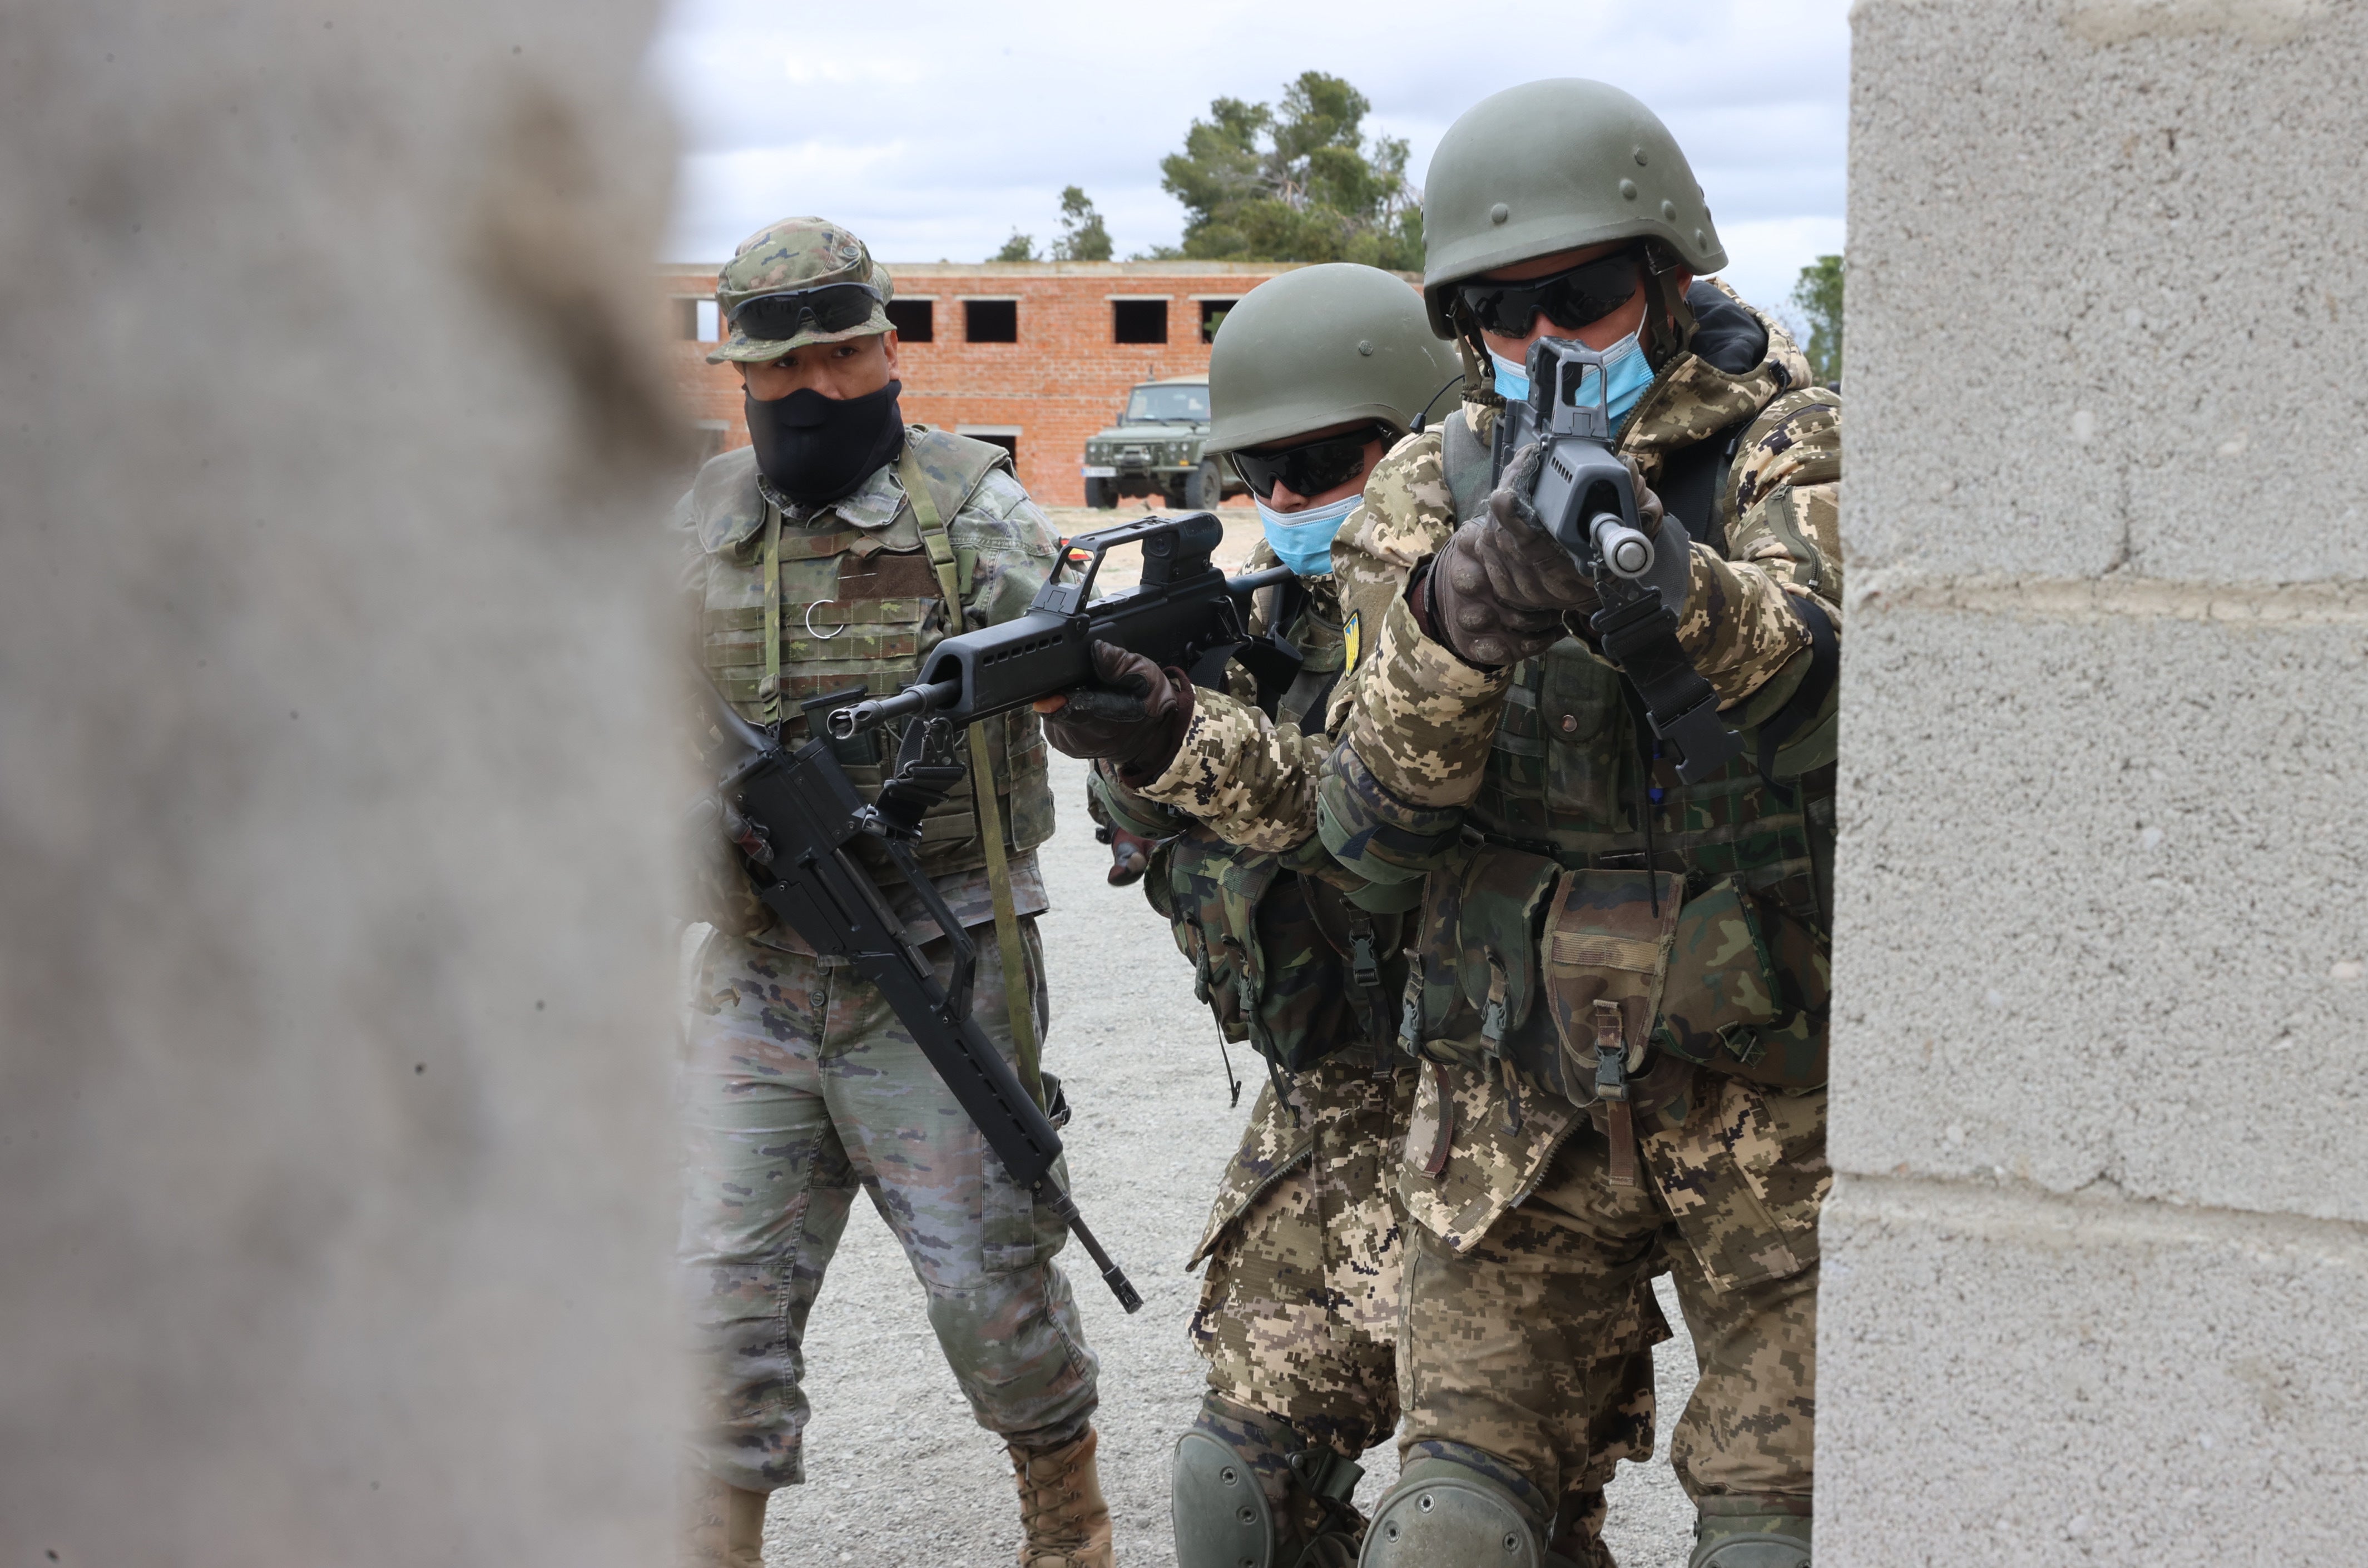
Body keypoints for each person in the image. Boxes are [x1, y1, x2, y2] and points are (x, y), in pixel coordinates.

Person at [1039, 264, 1659, 1568]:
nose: (1282, 505)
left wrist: (1201, 742)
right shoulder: (1252, 626)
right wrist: (1151, 747)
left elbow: (1382, 845)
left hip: (1509, 1120)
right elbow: (1225, 923)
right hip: (1330, 1111)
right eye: (1252, 475)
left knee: (1476, 1535)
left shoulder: (1515, 626)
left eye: (1321, 462)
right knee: (1235, 1498)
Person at [1316, 80, 1845, 1568]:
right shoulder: (1427, 486)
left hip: (1774, 1108)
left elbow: (1836, 685)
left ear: (1670, 280)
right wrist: (1454, 624)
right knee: (1446, 1537)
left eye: (1586, 294)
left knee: (1774, 1537)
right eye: (1498, 308)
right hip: (1513, 1116)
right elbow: (1361, 833)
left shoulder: (1786, 446)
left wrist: (1676, 588)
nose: (1545, 341)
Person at [672, 217, 1111, 1568]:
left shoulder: (971, 510)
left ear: (886, 348)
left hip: (932, 961)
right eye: (783, 363)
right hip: (753, 975)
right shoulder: (692, 525)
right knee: (713, 1307)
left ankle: (1070, 1518)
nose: (816, 388)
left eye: (845, 354)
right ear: (737, 366)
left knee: (989, 1289)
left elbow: (1081, 683)